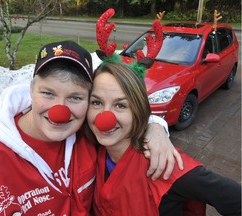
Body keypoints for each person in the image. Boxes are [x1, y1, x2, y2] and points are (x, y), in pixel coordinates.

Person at [0, 40, 182, 215]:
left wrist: (155, 126)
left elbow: (121, 116)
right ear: (31, 89)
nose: (59, 112)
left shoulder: (88, 136)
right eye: (48, 93)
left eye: (75, 97)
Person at [88, 61, 241, 216]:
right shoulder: (91, 148)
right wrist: (156, 124)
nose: (104, 118)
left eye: (120, 105)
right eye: (96, 102)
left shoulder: (167, 166)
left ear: (138, 110)